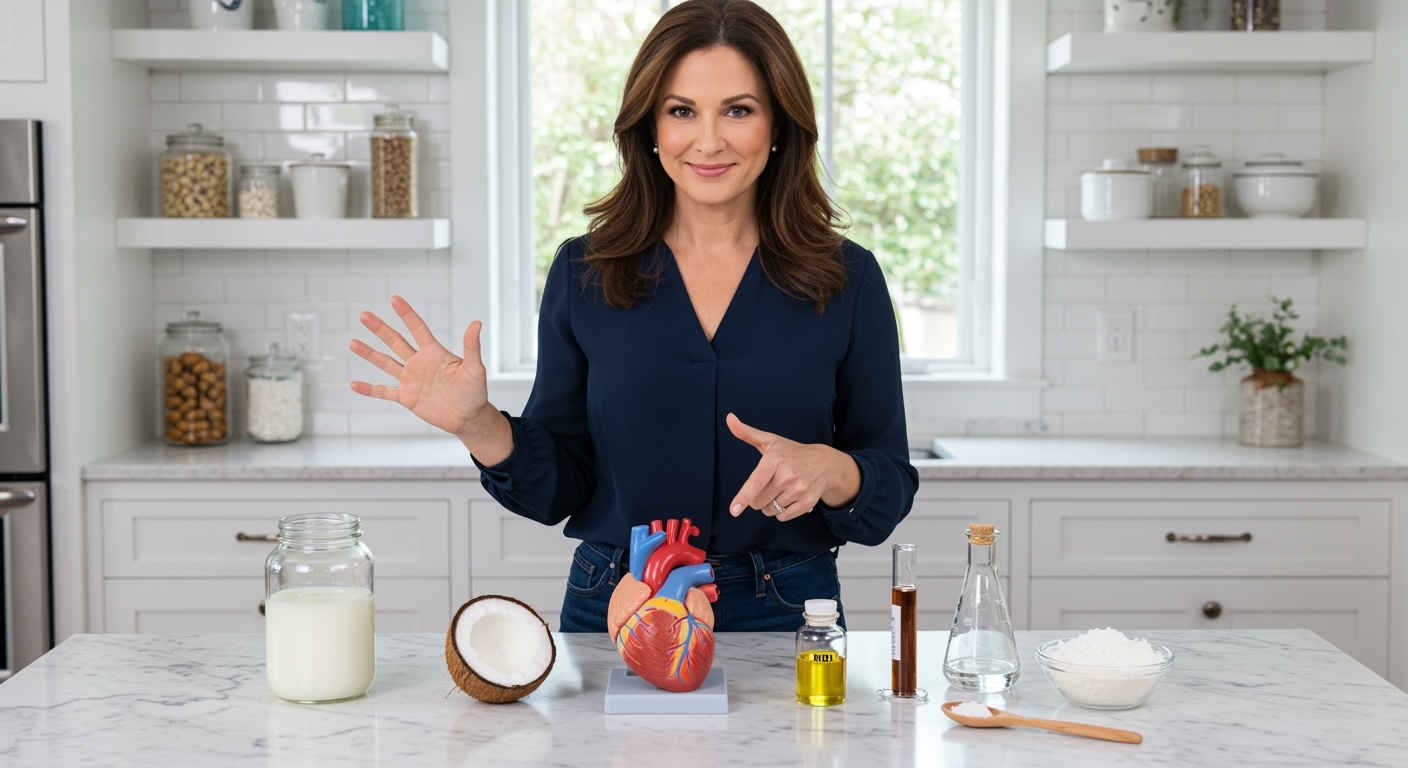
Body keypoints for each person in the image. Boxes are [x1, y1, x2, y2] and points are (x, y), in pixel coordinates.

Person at [350, 0, 917, 633]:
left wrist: (834, 469)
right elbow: (561, 485)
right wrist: (478, 426)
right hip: (616, 599)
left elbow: (888, 483)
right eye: (682, 111)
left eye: (738, 109)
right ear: (649, 127)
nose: (708, 140)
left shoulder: (848, 278)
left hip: (784, 606)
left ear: (778, 124)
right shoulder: (583, 271)